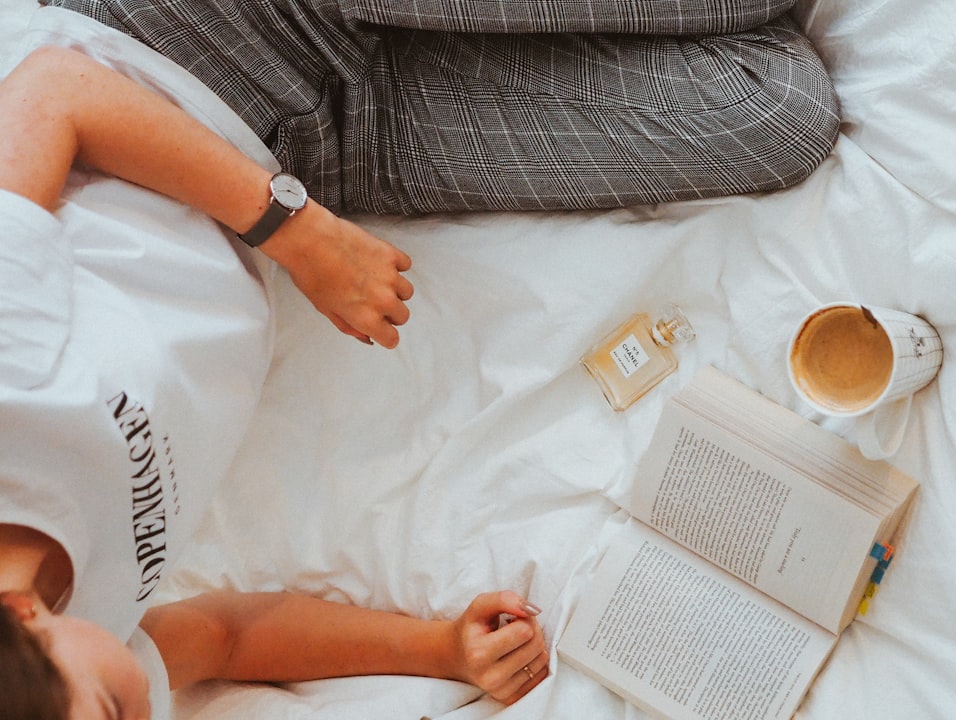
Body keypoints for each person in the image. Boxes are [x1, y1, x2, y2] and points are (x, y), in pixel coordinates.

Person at [0, 42, 548, 720]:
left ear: (19, 616)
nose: (146, 709)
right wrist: (443, 652)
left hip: (209, 60)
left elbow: (54, 91)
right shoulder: (85, 637)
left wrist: (298, 234)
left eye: (114, 708)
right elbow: (225, 639)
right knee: (722, 114)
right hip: (327, 161)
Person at [44, 0, 841, 215]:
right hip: (310, 151)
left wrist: (282, 229)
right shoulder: (111, 601)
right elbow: (216, 637)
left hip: (175, 26)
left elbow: (55, 91)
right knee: (775, 113)